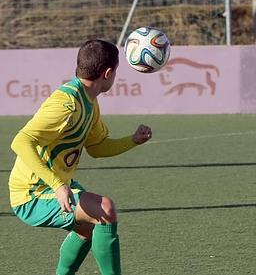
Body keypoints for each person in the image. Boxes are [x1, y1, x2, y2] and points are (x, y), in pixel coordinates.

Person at [8, 39, 152, 275]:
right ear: (108, 73)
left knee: (86, 228)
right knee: (105, 209)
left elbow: (97, 147)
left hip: (52, 185)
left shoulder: (89, 102)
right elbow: (21, 141)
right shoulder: (65, 103)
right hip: (31, 193)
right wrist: (57, 185)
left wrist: (132, 140)